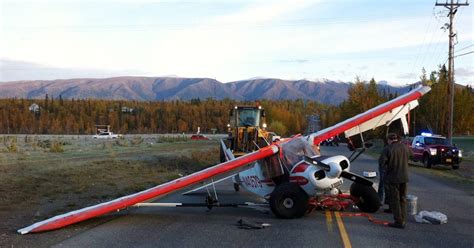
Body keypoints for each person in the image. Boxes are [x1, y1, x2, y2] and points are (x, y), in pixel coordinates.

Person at [379, 133, 411, 229]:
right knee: (403, 199)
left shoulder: (388, 149)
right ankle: (404, 219)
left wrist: (386, 170)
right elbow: (411, 155)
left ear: (389, 140)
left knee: (395, 199)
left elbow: (381, 162)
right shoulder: (405, 147)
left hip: (393, 178)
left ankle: (398, 221)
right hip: (404, 177)